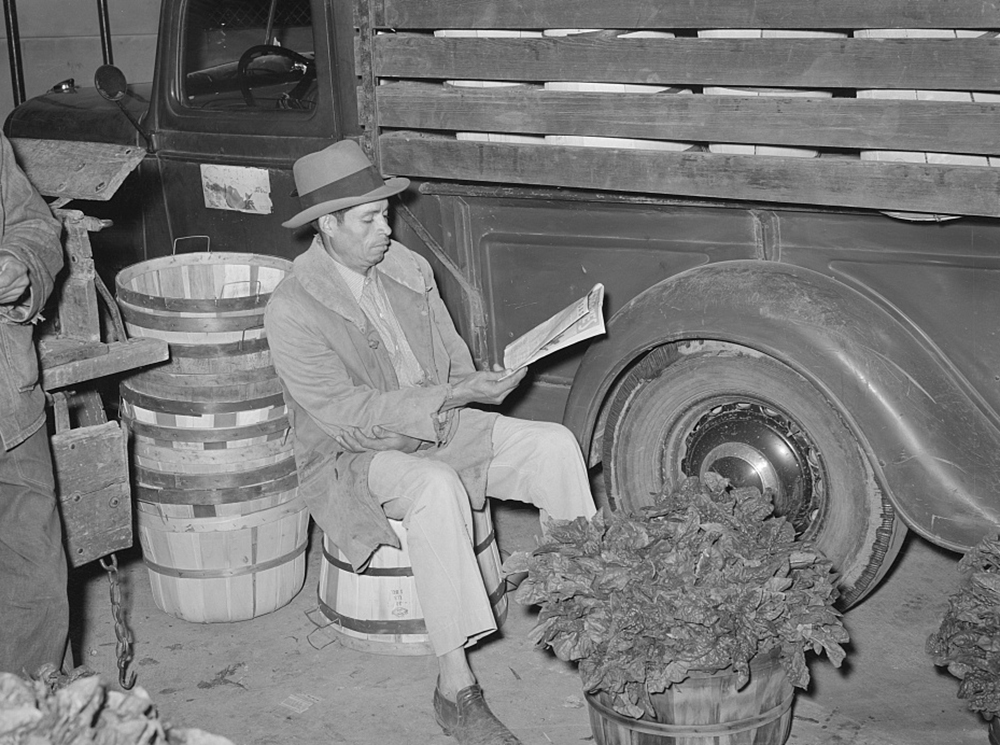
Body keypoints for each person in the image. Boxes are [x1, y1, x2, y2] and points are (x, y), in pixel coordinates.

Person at [265, 140, 597, 745]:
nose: (385, 229)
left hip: (436, 428)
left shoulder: (408, 271)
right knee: (436, 486)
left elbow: (451, 365)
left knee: (554, 446)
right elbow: (345, 416)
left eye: (385, 214)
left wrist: (481, 385)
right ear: (327, 225)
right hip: (352, 458)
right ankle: (455, 687)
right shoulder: (292, 307)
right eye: (368, 219)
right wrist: (446, 397)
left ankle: (592, 617)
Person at [0, 131, 68, 676]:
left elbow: (35, 224)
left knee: (36, 582)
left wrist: (21, 262)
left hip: (7, 408)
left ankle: (34, 717)